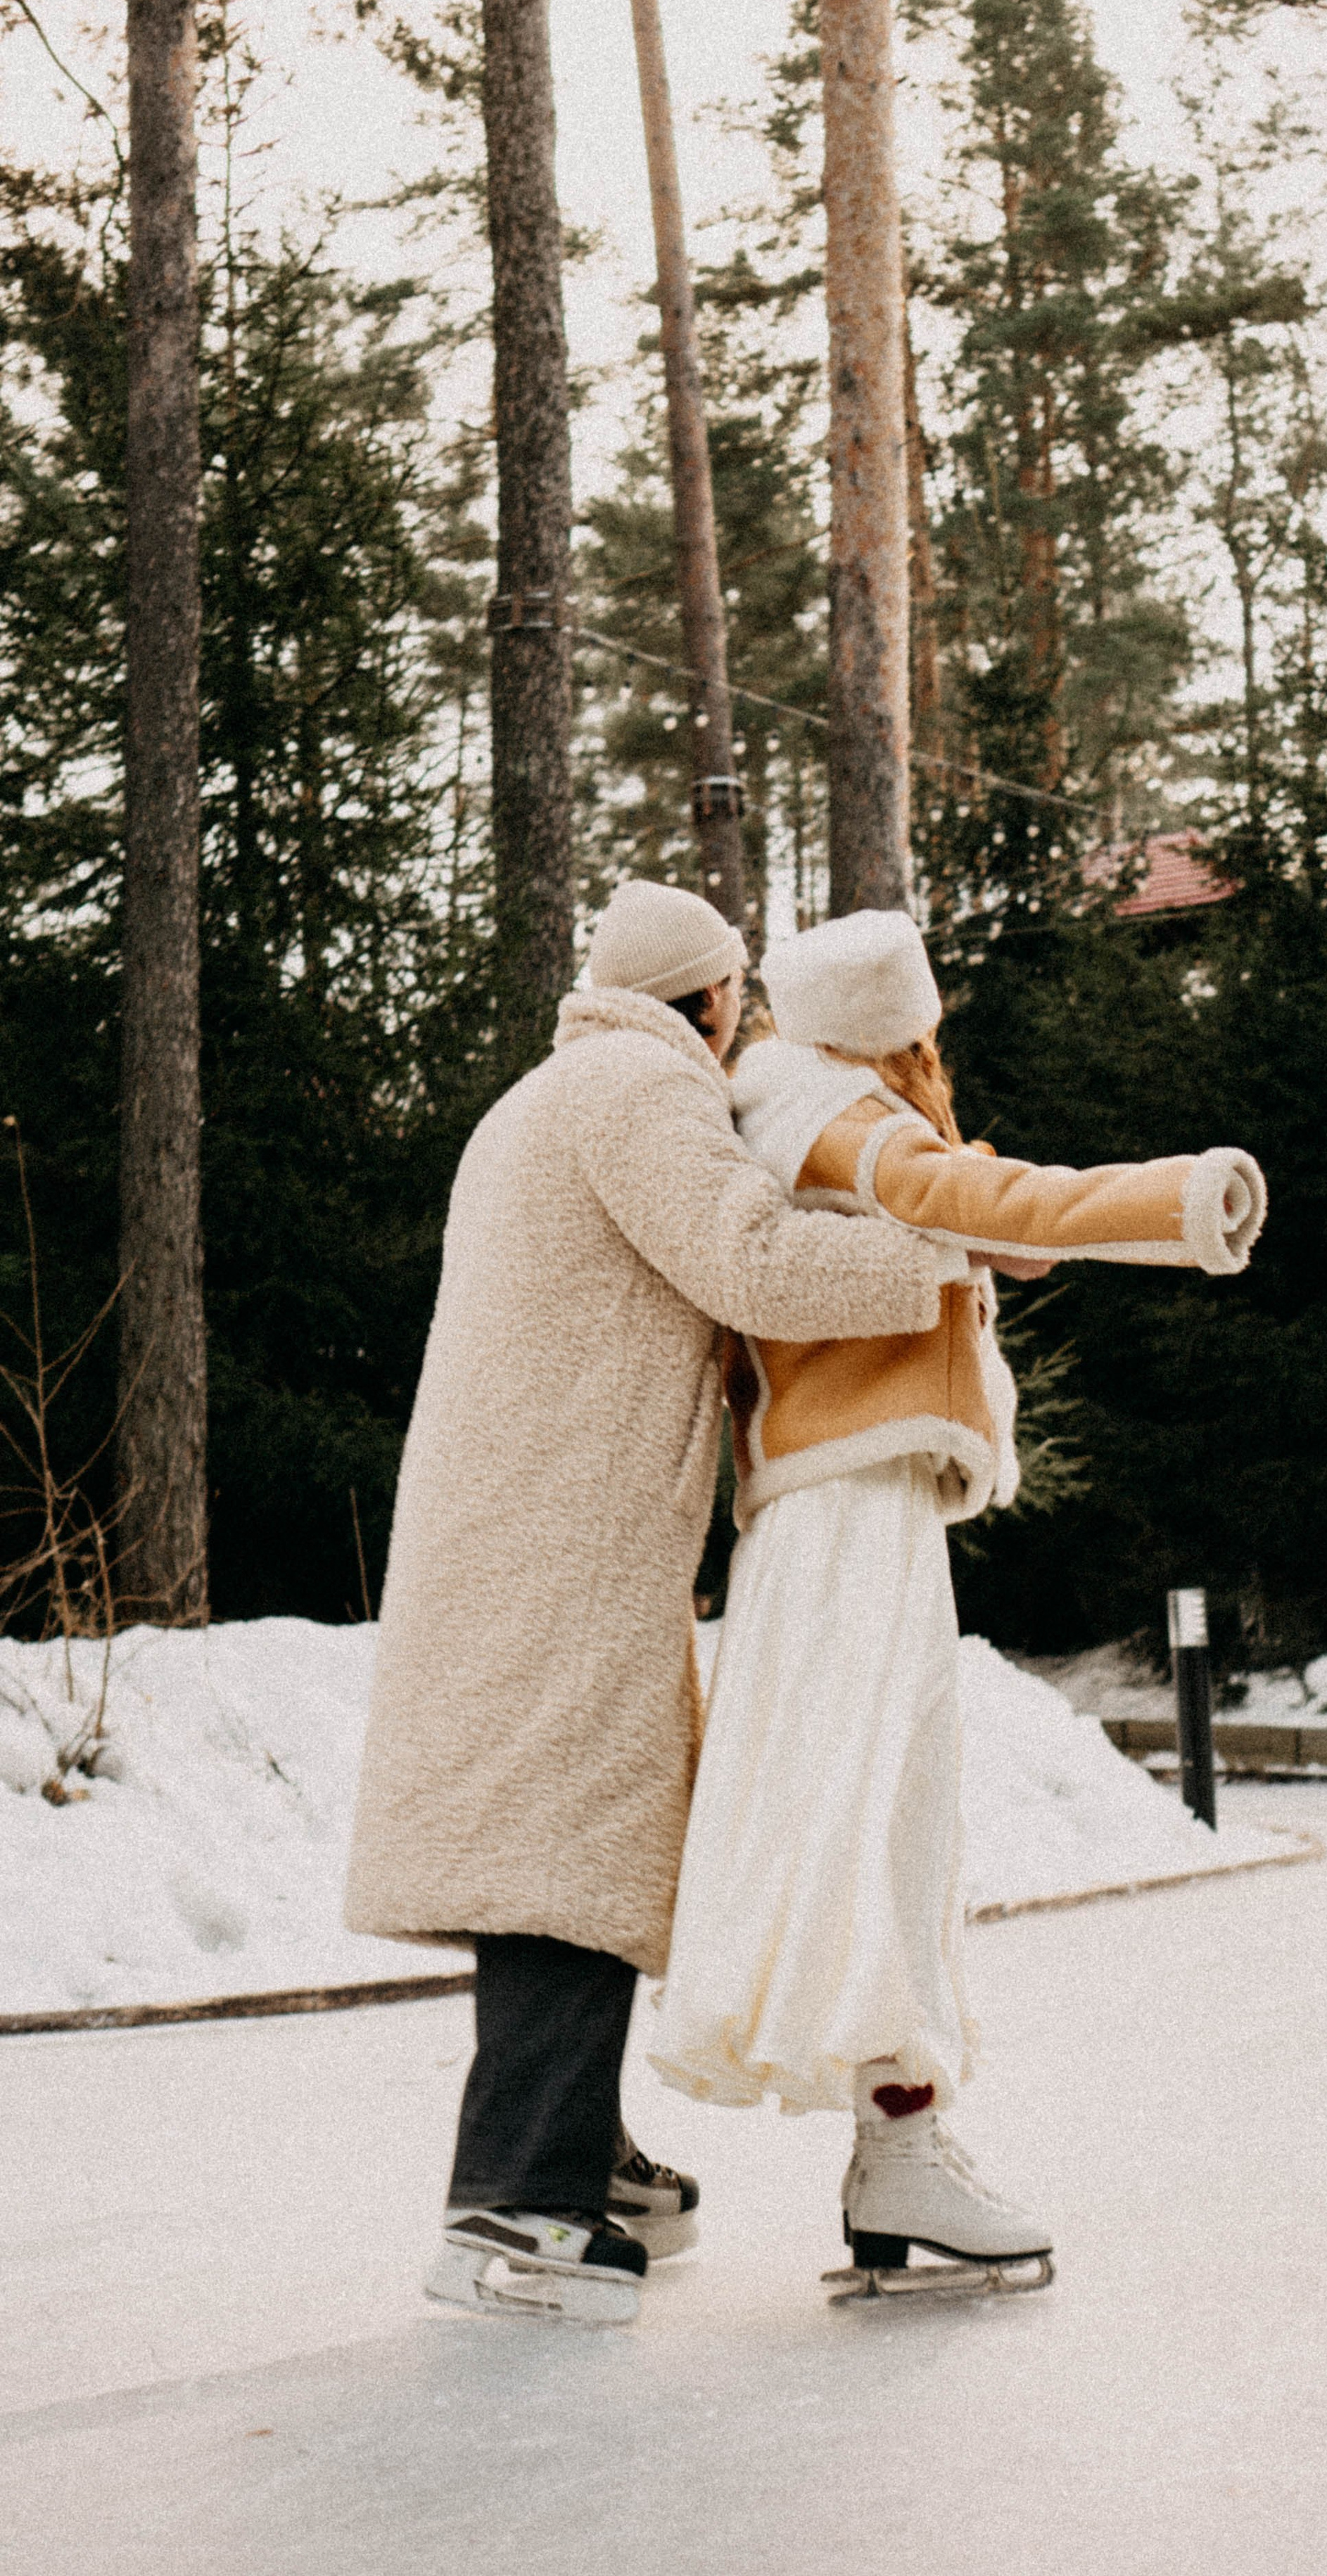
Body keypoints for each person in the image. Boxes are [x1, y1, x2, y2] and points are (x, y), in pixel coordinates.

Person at [344, 882, 971, 2327]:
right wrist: (933, 1258)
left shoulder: (549, 1093)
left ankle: (572, 2150)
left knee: (574, 1835)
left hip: (523, 1523)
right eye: (737, 996)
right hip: (558, 1532)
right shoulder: (639, 1088)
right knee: (563, 1850)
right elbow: (747, 1260)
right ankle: (517, 2205)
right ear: (710, 998)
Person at [649, 907, 1266, 2295]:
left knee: (885, 1818)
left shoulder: (824, 1109)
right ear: (893, 1030)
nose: (936, 1063)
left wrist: (992, 1226)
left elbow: (967, 1198)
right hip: (848, 1515)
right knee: (877, 1818)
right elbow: (981, 1200)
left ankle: (899, 2143)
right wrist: (1182, 1197)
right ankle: (901, 2140)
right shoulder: (836, 1118)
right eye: (923, 1037)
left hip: (848, 1514)